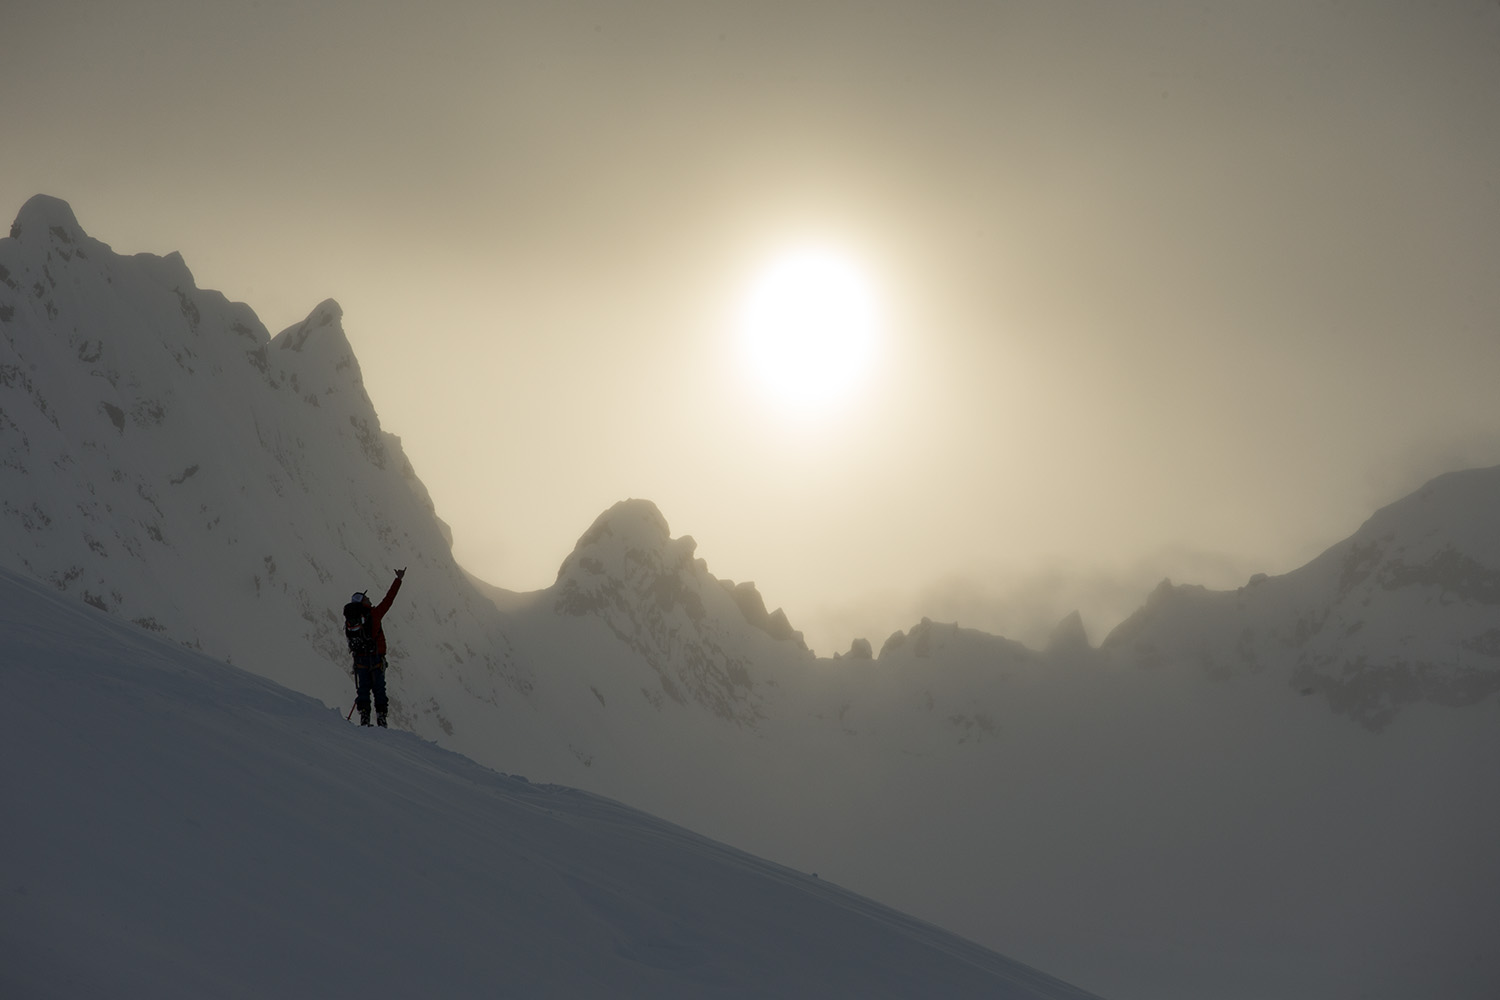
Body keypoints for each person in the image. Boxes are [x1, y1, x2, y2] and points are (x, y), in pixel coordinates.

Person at [345, 568, 405, 727]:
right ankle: (381, 718)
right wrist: (398, 580)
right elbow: (389, 599)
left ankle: (364, 717)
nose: (369, 599)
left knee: (363, 689)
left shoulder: (351, 620)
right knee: (379, 689)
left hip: (360, 660)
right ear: (363, 602)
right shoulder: (375, 614)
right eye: (367, 598)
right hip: (376, 658)